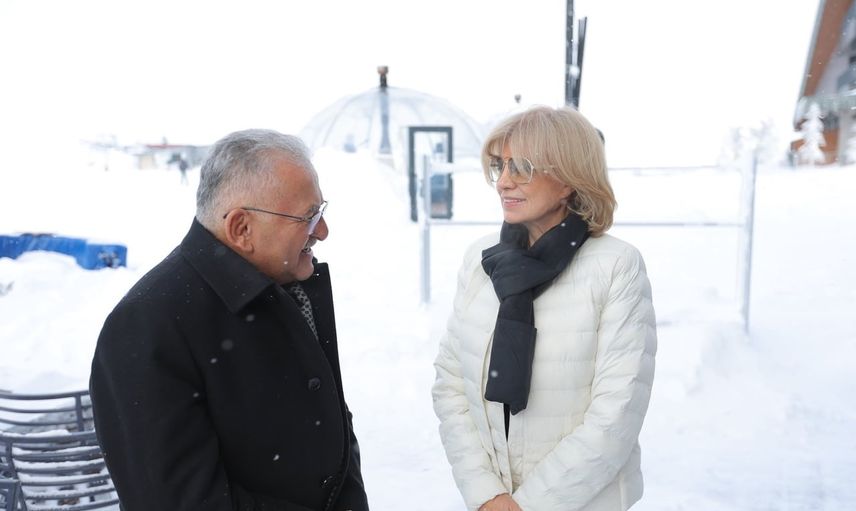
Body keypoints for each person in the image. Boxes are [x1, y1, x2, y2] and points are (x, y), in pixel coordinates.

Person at [90, 129, 369, 511]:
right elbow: (180, 503)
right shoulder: (145, 326)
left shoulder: (284, 285)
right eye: (308, 217)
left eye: (320, 211)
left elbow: (333, 429)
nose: (322, 231)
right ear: (241, 228)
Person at [432, 106, 657, 511]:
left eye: (521, 168)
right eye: (499, 166)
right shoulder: (481, 260)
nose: (504, 181)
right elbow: (451, 384)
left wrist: (528, 506)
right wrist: (486, 493)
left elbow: (616, 413)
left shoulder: (616, 266)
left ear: (568, 179)